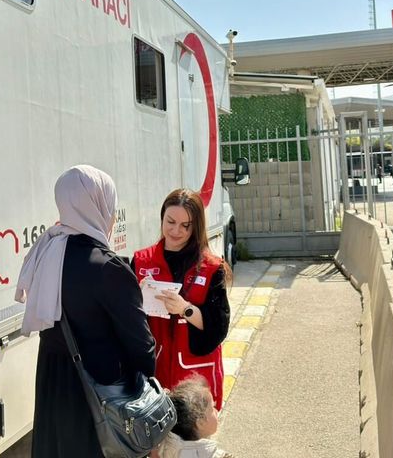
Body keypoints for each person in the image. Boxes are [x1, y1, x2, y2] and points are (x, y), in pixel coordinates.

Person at [16, 165, 156, 458]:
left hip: (54, 388)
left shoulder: (46, 253)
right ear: (100, 205)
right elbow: (142, 350)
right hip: (99, 401)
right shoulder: (108, 267)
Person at [133, 189, 231, 410]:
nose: (176, 230)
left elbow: (218, 327)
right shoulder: (141, 262)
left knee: (194, 441)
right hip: (154, 375)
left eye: (185, 225)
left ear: (195, 227)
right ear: (162, 218)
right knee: (156, 442)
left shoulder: (211, 267)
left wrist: (185, 309)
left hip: (195, 375)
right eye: (170, 221)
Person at [158, 376, 234, 458]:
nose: (216, 411)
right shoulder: (211, 455)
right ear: (200, 422)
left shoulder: (164, 443)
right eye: (213, 408)